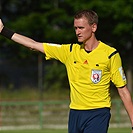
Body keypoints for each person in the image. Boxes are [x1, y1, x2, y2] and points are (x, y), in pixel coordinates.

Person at [0, 9, 133, 133]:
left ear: (93, 27)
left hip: (98, 113)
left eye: (81, 28)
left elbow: (123, 91)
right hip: (75, 113)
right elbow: (34, 45)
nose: (77, 32)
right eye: (75, 28)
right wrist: (3, 30)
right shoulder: (69, 51)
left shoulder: (110, 54)